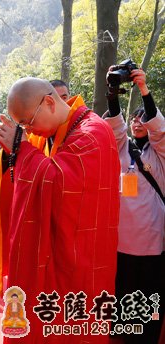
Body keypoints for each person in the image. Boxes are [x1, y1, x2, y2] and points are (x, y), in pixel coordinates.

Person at [0, 77, 120, 343]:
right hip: (73, 253)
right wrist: (18, 150)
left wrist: (21, 148)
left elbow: (60, 184)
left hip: (82, 261)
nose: (31, 132)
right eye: (23, 127)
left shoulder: (91, 132)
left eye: (28, 122)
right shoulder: (70, 129)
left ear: (49, 102)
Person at [104, 67, 164, 344]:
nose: (138, 122)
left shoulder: (160, 154)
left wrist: (143, 90)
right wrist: (113, 93)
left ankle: (149, 336)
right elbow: (114, 127)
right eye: (134, 118)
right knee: (124, 294)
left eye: (143, 118)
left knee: (150, 295)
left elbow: (160, 131)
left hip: (153, 240)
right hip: (122, 240)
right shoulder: (121, 149)